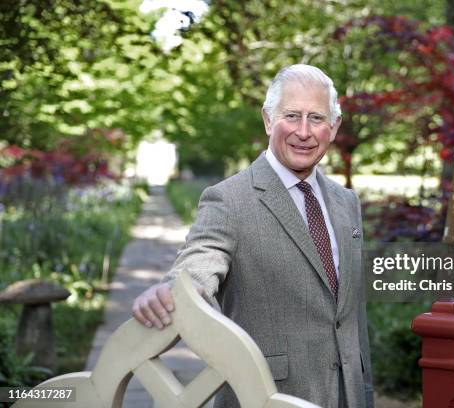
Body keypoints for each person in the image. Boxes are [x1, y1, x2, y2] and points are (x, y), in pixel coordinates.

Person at [132, 64, 373, 408]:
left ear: (333, 127)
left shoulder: (346, 202)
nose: (304, 132)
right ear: (268, 120)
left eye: (316, 119)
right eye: (291, 115)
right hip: (265, 397)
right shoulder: (228, 199)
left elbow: (352, 319)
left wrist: (364, 393)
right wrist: (172, 291)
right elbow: (200, 261)